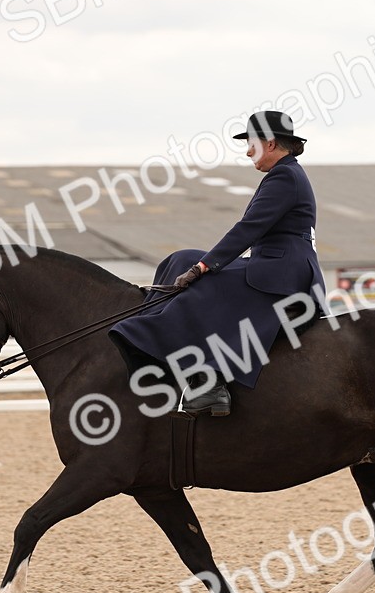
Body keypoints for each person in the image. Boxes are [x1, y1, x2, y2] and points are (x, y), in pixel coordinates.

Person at [109, 110, 326, 416]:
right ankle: (155, 344)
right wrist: (196, 263)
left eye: (252, 144)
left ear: (270, 143)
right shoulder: (284, 174)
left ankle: (209, 381)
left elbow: (248, 229)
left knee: (206, 284)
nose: (248, 151)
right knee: (181, 258)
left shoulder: (285, 176)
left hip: (283, 272)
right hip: (273, 264)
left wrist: (203, 267)